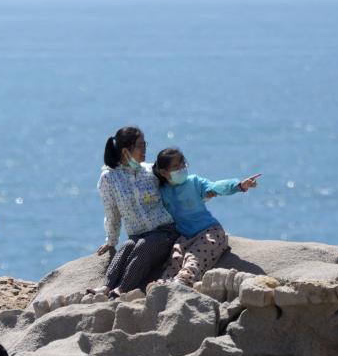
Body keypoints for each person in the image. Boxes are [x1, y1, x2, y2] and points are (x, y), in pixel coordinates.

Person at [152, 147, 261, 285]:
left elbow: (215, 187)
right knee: (175, 259)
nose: (181, 169)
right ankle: (163, 284)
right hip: (184, 237)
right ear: (163, 172)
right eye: (176, 167)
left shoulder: (194, 182)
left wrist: (238, 185)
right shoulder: (162, 191)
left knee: (194, 258)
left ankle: (183, 281)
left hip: (209, 231)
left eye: (183, 164)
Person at [92, 126, 178, 296]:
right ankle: (106, 287)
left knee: (143, 246)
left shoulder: (152, 171)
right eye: (140, 145)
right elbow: (112, 213)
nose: (144, 148)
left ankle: (123, 289)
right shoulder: (109, 178)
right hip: (137, 235)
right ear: (125, 151)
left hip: (165, 232)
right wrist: (111, 240)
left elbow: (179, 191)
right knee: (127, 246)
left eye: (145, 144)